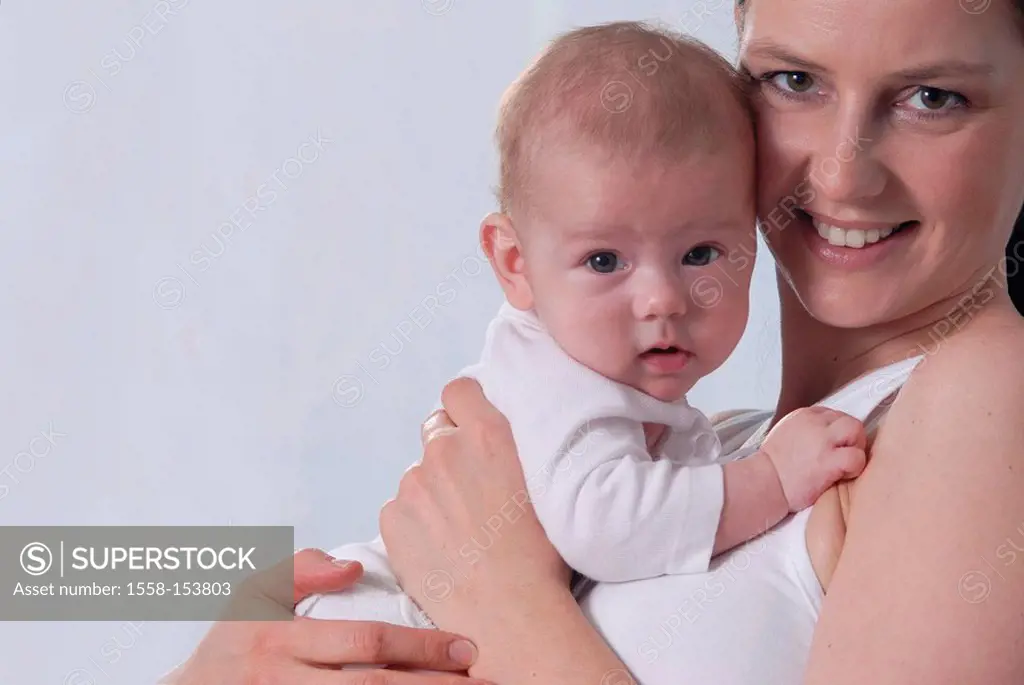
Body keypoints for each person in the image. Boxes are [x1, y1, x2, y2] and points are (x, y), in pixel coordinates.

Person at [166, 0, 1024, 683]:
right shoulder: (709, 446)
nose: (841, 172)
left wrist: (499, 603)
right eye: (796, 79)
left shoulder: (988, 395)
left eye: (932, 97)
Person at [295, 24, 868, 633]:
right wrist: (770, 480)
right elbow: (608, 528)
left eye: (701, 253)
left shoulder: (607, 377)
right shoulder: (559, 386)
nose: (661, 300)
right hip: (383, 617)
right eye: (603, 261)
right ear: (515, 263)